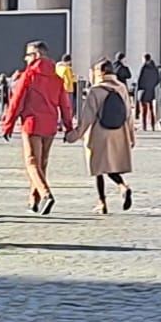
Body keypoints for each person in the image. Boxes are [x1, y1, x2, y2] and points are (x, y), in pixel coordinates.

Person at [1, 41, 75, 215]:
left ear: (35, 55)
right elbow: (65, 105)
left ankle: (45, 194)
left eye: (27, 55)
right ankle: (33, 201)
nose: (25, 59)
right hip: (50, 125)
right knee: (42, 163)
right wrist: (68, 126)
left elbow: (16, 101)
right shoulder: (57, 78)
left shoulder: (28, 75)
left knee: (32, 162)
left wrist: (8, 124)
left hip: (31, 123)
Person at [66, 61, 135, 214]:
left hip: (99, 131)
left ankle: (102, 202)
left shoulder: (96, 90)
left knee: (98, 168)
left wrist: (74, 135)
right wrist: (131, 136)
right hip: (119, 131)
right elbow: (129, 114)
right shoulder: (122, 88)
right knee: (111, 166)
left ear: (100, 72)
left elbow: (87, 117)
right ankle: (123, 186)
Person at [135, 54, 160, 130]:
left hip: (143, 90)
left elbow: (139, 79)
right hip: (151, 90)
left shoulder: (143, 68)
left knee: (144, 109)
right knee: (151, 108)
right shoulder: (154, 68)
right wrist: (152, 85)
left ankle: (144, 126)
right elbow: (158, 79)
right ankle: (152, 125)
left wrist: (138, 88)